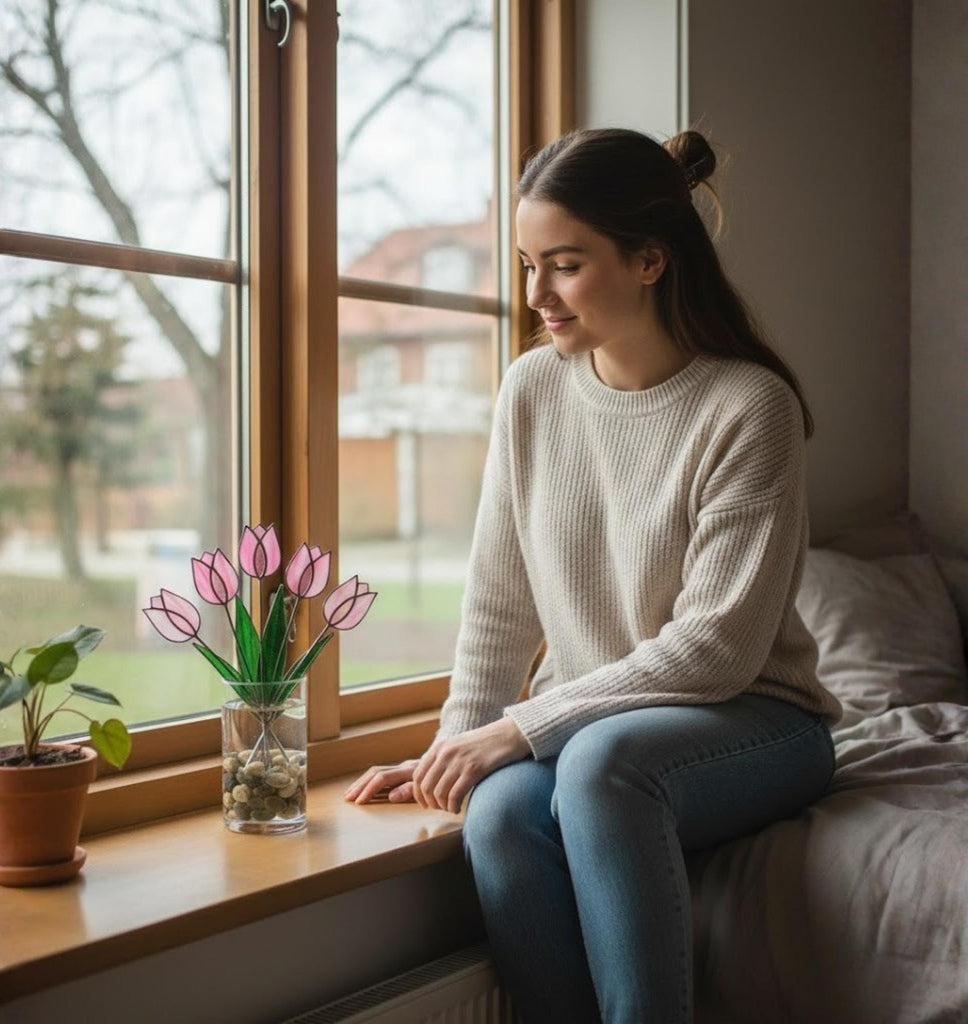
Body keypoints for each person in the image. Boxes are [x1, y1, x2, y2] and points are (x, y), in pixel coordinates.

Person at [344, 127, 843, 1024]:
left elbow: (718, 649)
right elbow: (499, 602)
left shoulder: (748, 407)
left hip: (757, 720)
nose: (536, 294)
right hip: (597, 727)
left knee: (607, 767)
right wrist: (453, 752)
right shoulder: (532, 390)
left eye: (565, 265)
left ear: (650, 260)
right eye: (529, 265)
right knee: (498, 813)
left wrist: (520, 727)